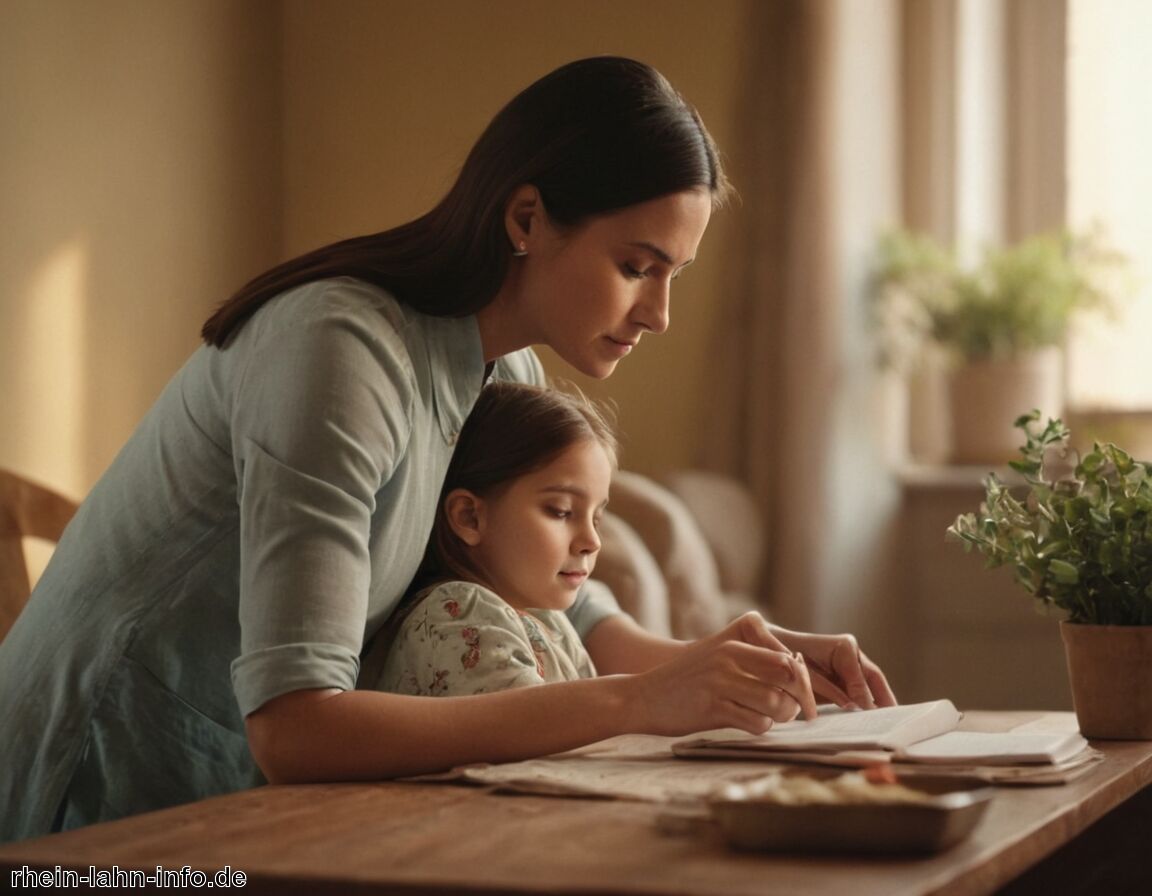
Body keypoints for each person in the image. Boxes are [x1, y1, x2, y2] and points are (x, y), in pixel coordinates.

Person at [0, 56, 895, 844]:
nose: (659, 314)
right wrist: (636, 703)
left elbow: (578, 621)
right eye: (636, 266)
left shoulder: (505, 372)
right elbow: (296, 726)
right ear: (527, 218)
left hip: (256, 810)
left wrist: (741, 662)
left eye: (673, 276)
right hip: (93, 823)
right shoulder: (337, 352)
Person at [373, 381, 615, 696]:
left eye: (596, 518)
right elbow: (535, 734)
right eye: (561, 511)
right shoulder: (457, 612)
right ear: (469, 517)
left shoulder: (551, 621)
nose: (592, 541)